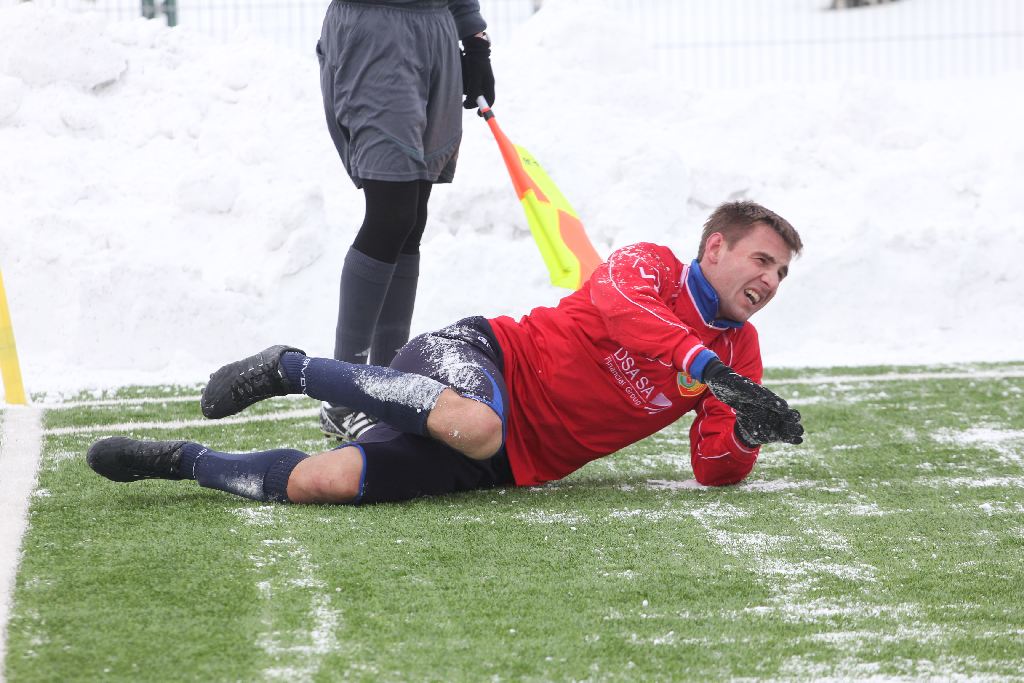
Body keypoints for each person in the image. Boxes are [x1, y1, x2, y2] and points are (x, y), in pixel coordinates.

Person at [87, 201, 805, 505]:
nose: (770, 282)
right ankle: (292, 369)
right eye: (762, 260)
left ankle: (182, 460)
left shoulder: (741, 354)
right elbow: (626, 316)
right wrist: (707, 368)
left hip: (507, 464)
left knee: (323, 482)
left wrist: (744, 433)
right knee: (477, 421)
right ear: (716, 247)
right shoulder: (646, 265)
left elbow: (712, 470)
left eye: (780, 273)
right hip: (479, 358)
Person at [315, 0, 496, 441]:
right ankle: (343, 394)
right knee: (391, 212)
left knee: (412, 218)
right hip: (375, 33)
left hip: (434, 31)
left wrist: (475, 42)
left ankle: (387, 388)